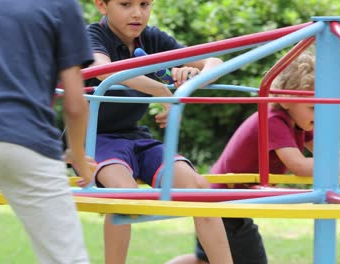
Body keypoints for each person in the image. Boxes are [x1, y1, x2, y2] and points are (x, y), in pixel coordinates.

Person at [171, 50, 340, 264]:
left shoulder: (299, 122)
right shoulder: (273, 120)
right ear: (286, 100)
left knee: (205, 260)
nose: (320, 114)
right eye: (313, 107)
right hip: (223, 204)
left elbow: (328, 151)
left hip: (223, 202)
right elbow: (299, 166)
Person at [85, 1, 232, 263]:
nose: (137, 13)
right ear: (101, 5)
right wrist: (161, 90)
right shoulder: (93, 35)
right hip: (97, 139)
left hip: (136, 138)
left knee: (199, 188)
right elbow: (103, 71)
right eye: (126, 4)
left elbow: (214, 60)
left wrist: (191, 76)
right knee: (124, 194)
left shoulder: (152, 38)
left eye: (145, 4)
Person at [0, 1, 95, 263]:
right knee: (66, 258)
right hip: (28, 139)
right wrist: (78, 155)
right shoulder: (61, 5)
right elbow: (75, 104)